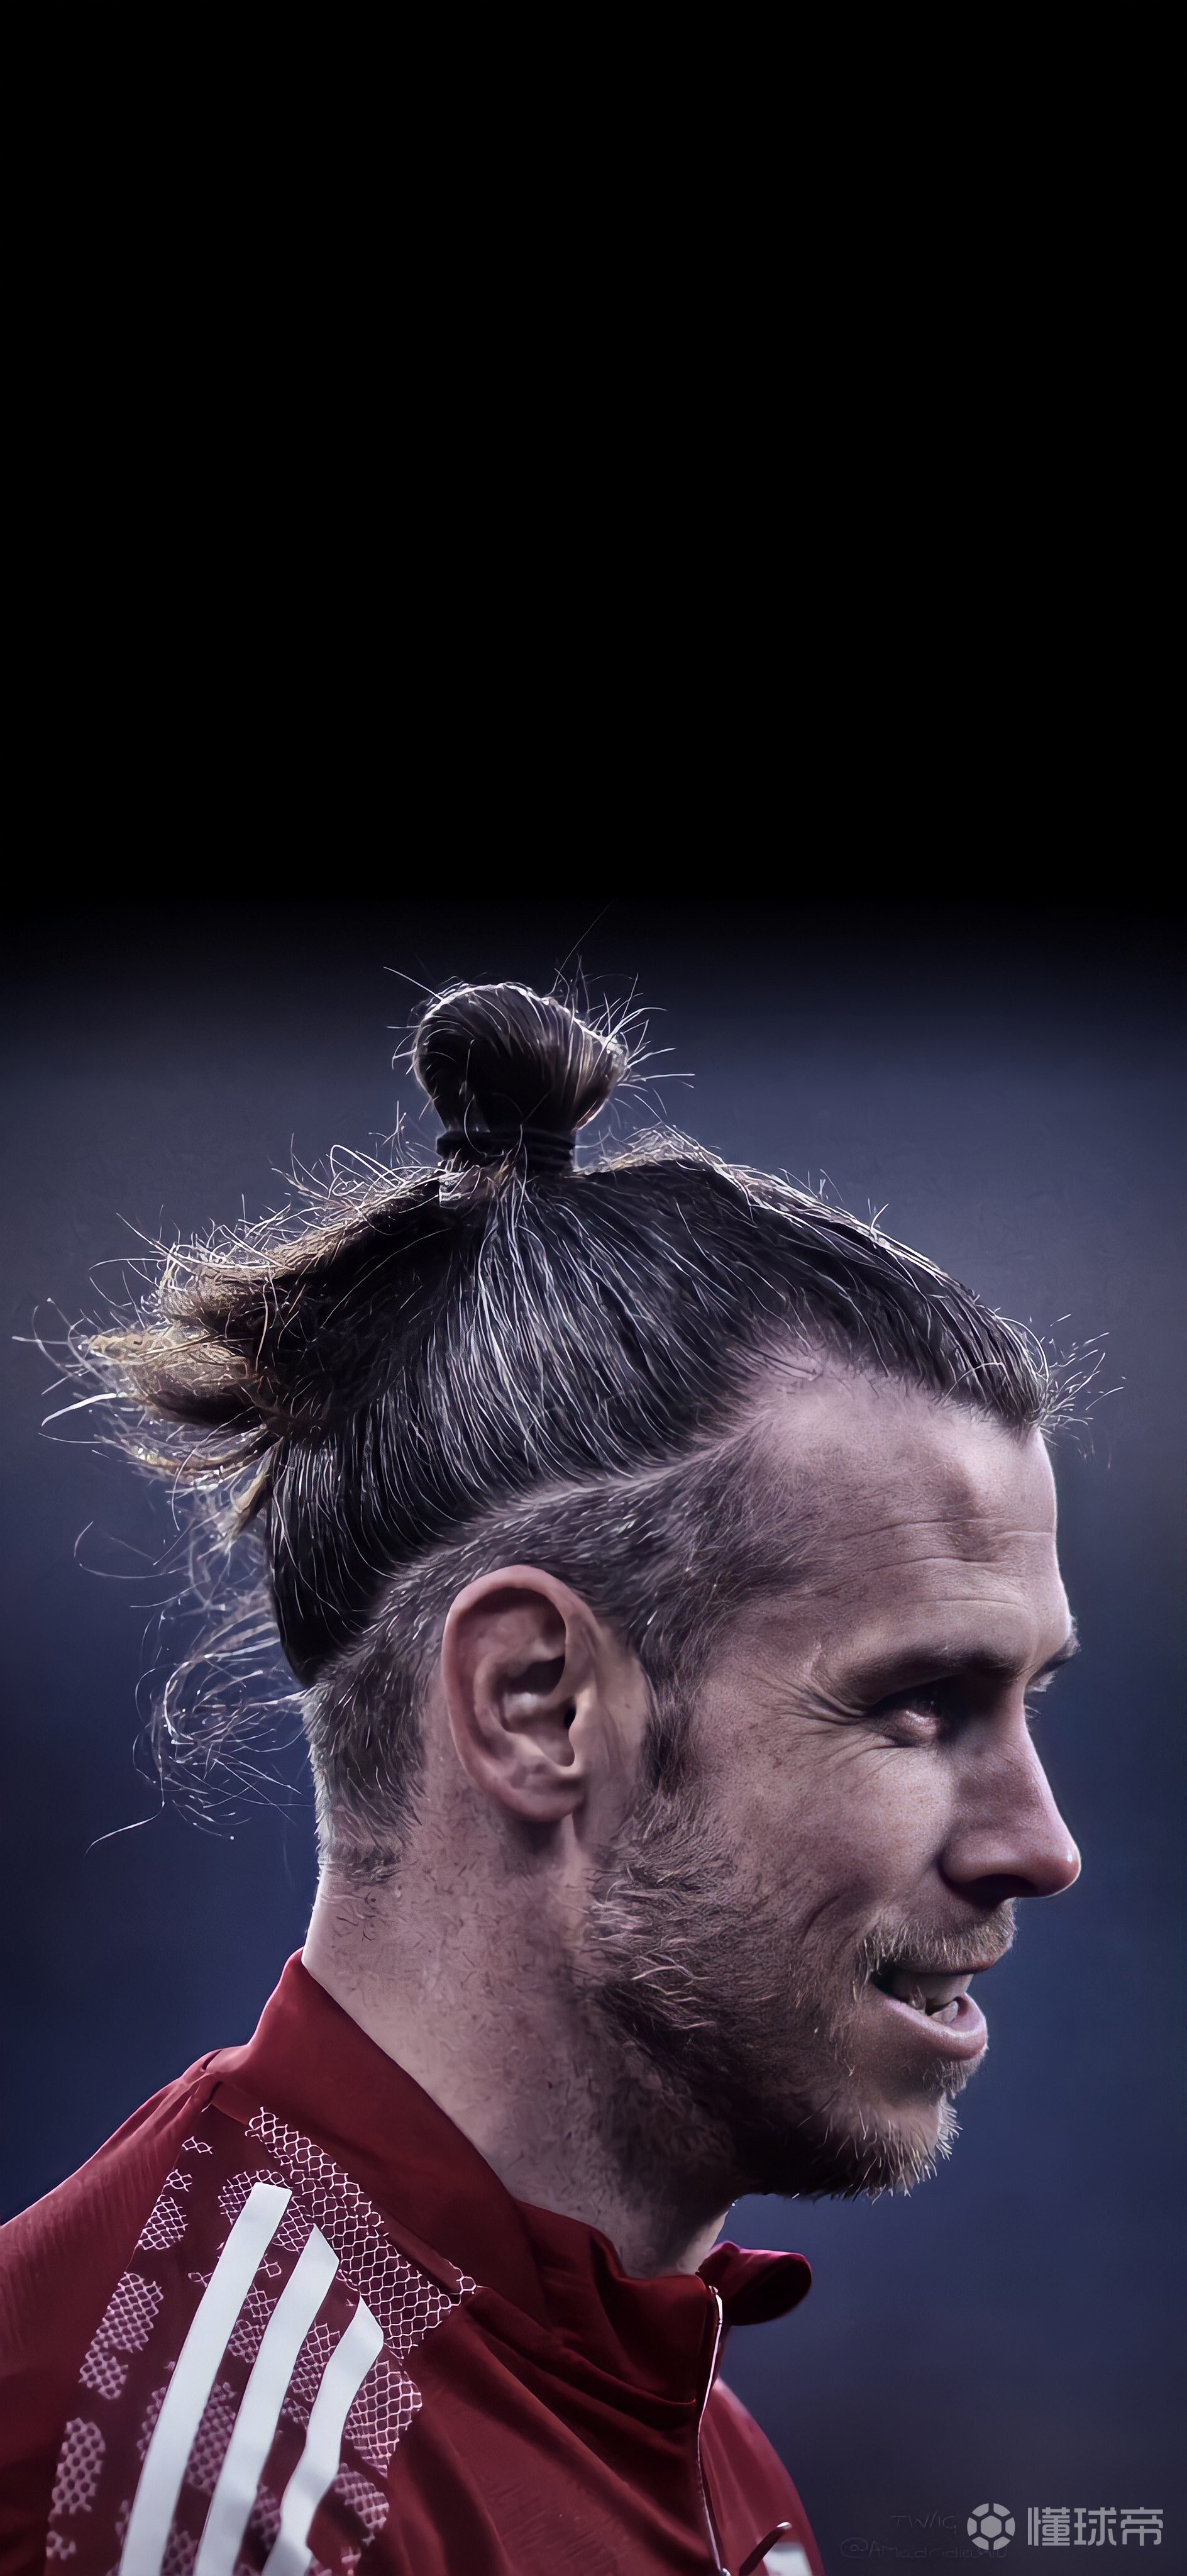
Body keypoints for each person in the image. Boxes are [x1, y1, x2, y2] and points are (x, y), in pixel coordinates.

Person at [0, 981, 1082, 2576]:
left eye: (1028, 1698)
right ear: (533, 1704)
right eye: (918, 1702)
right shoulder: (220, 2489)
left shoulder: (685, 2428)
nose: (1039, 1843)